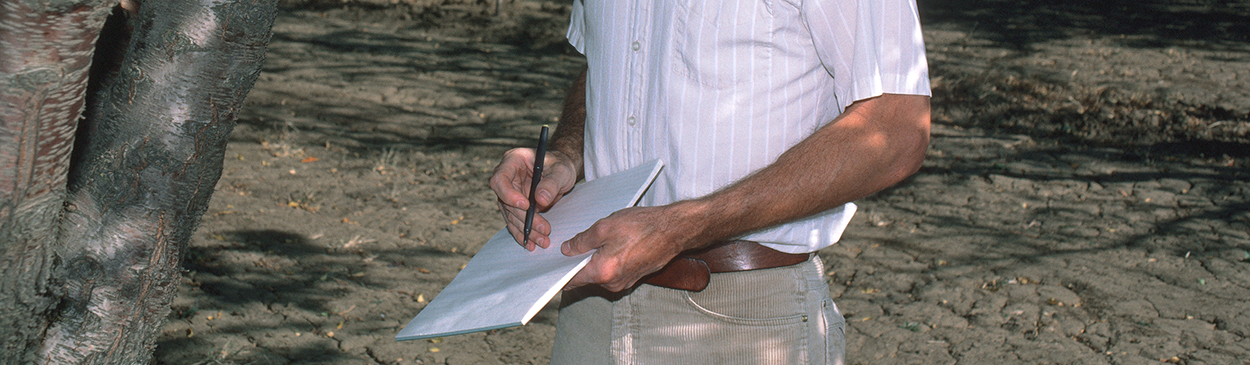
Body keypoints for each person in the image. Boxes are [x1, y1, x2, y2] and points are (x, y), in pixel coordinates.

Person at [489, 0, 931, 363]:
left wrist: (682, 226)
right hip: (589, 313)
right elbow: (603, 65)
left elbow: (897, 129)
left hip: (747, 318)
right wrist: (567, 154)